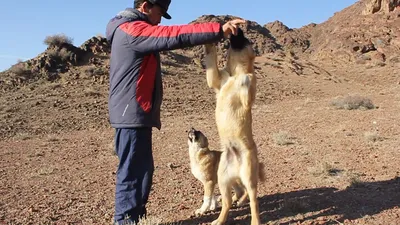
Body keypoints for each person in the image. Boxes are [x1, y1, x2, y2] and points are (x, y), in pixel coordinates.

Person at [105, 0, 246, 224]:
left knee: (142, 171)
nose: (160, 19)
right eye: (159, 12)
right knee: (132, 173)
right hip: (129, 114)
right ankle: (126, 221)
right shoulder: (132, 29)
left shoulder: (128, 28)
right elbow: (174, 35)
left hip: (133, 113)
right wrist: (217, 30)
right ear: (145, 6)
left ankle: (135, 218)